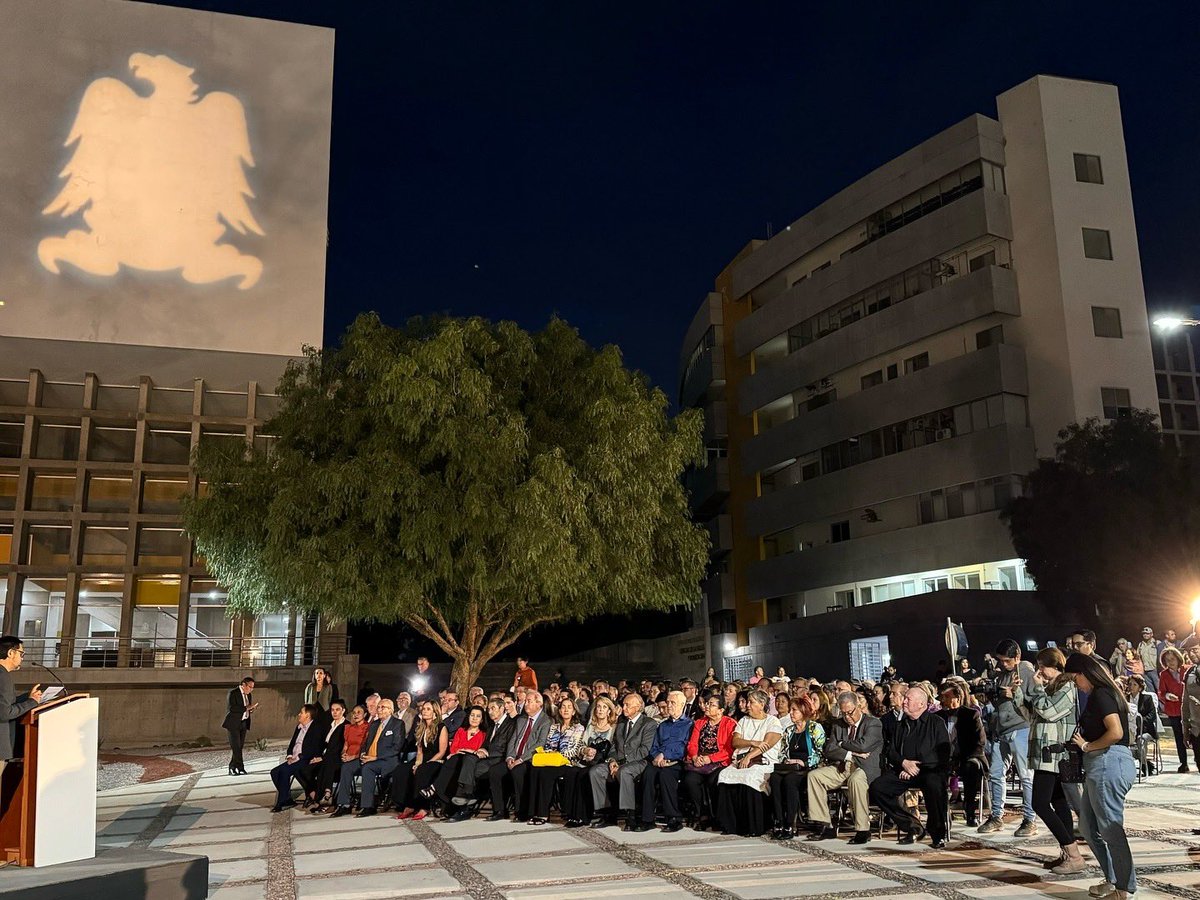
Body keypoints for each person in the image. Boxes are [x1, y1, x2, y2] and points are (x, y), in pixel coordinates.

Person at [1065, 652, 1137, 900]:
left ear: (1084, 673)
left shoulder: (1101, 694)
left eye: (1075, 679)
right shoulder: (1102, 693)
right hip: (1100, 764)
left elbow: (1115, 732)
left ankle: (1124, 889)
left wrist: (1087, 746)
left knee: (1110, 829)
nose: (1077, 686)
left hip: (1108, 762)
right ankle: (1113, 879)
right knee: (1088, 826)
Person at [1016, 647, 1084, 873]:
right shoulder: (1050, 688)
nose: (1039, 672)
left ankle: (1074, 855)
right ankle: (1068, 854)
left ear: (1054, 666)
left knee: (1039, 803)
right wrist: (1018, 694)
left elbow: (1049, 712)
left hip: (1054, 754)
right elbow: (1033, 716)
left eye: (1042, 667)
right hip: (1044, 753)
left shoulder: (1067, 687)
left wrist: (1036, 689)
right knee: (1058, 802)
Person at [870, 686, 951, 848]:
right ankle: (912, 826)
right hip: (905, 770)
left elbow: (943, 752)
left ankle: (938, 833)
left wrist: (917, 768)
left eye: (908, 699)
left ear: (921, 704)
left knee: (935, 785)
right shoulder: (901, 724)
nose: (904, 702)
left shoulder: (936, 723)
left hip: (930, 770)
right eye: (904, 698)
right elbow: (891, 751)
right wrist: (903, 763)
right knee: (878, 788)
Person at [978, 639, 1037, 838]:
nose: (1003, 664)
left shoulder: (1026, 672)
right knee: (996, 774)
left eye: (1007, 661)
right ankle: (996, 816)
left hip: (1021, 727)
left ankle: (1030, 819)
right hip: (1001, 729)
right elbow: (999, 704)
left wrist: (1014, 694)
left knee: (1026, 776)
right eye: (1000, 660)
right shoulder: (1001, 675)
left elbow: (1036, 701)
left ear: (1017, 657)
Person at [807, 691, 882, 845]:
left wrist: (841, 744)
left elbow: (864, 745)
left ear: (859, 706)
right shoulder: (838, 724)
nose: (847, 717)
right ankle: (825, 825)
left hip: (863, 767)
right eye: (843, 713)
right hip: (843, 765)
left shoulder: (873, 723)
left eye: (850, 712)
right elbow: (829, 749)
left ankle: (863, 829)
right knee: (814, 776)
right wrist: (849, 753)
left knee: (856, 780)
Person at [716, 688, 783, 836]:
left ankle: (753, 826)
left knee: (750, 777)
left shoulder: (772, 721)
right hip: (741, 759)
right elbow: (736, 741)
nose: (747, 705)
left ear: (762, 704)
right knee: (724, 775)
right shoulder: (744, 720)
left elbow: (767, 744)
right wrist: (752, 742)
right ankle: (730, 825)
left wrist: (749, 757)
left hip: (763, 761)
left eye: (751, 702)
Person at [589, 692, 656, 829]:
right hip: (619, 762)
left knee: (624, 772)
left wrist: (623, 762)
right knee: (596, 771)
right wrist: (612, 760)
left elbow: (644, 750)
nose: (623, 708)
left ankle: (630, 815)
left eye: (627, 705)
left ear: (638, 707)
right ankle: (605, 813)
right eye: (623, 704)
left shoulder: (648, 723)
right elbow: (614, 746)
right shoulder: (621, 723)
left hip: (638, 762)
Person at [330, 698, 404, 818]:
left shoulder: (397, 724)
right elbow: (365, 743)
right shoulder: (374, 724)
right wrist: (363, 754)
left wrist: (375, 757)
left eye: (383, 707)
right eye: (378, 707)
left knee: (368, 768)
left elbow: (397, 747)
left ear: (390, 710)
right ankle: (344, 805)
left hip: (386, 760)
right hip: (368, 758)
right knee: (347, 767)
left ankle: (367, 806)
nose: (379, 709)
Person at [444, 697, 515, 821]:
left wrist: (487, 752)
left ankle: (464, 803)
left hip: (500, 760)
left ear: (502, 708)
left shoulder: (511, 724)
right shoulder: (492, 726)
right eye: (489, 709)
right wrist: (482, 749)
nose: (490, 712)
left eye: (493, 708)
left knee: (468, 769)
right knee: (468, 760)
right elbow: (486, 744)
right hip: (488, 759)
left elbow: (508, 747)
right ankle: (468, 798)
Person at [633, 691, 692, 832]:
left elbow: (685, 747)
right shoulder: (663, 725)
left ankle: (673, 818)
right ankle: (647, 819)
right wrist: (656, 758)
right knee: (648, 774)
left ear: (682, 705)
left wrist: (665, 755)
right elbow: (654, 746)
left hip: (677, 761)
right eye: (668, 702)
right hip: (658, 761)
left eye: (673, 703)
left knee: (666, 776)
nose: (669, 705)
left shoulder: (689, 724)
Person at [489, 689, 551, 821]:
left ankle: (521, 812)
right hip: (514, 758)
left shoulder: (545, 721)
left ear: (539, 703)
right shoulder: (521, 719)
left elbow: (540, 744)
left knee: (518, 771)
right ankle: (500, 810)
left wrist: (521, 759)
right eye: (526, 701)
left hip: (530, 759)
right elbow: (513, 740)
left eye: (529, 701)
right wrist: (510, 757)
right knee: (495, 771)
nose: (525, 704)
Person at [769, 698, 825, 839]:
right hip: (790, 766)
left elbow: (821, 753)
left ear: (803, 711)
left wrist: (803, 762)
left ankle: (790, 824)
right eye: (791, 710)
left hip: (808, 767)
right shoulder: (789, 730)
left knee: (790, 780)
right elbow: (782, 752)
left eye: (794, 710)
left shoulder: (814, 728)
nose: (791, 713)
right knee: (774, 778)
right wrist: (786, 761)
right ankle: (779, 821)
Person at [560, 695, 617, 827]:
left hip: (603, 762)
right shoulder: (591, 726)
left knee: (583, 774)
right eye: (598, 707)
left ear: (609, 710)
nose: (600, 710)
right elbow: (581, 746)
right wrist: (585, 750)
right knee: (571, 772)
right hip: (586, 760)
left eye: (604, 707)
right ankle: (571, 813)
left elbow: (614, 749)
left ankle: (582, 816)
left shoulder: (614, 727)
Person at [527, 696, 585, 825]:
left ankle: (549, 814)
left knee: (547, 773)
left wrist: (557, 755)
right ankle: (536, 812)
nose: (566, 710)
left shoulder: (578, 728)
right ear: (559, 710)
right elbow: (548, 745)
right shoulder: (554, 727)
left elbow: (574, 750)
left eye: (569, 707)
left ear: (574, 711)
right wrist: (550, 753)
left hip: (568, 762)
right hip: (551, 761)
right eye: (563, 707)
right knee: (536, 770)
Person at [0, 636, 42, 811]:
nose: (22, 657)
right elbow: (4, 712)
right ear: (11, 653)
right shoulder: (3, 676)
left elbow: (5, 704)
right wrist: (31, 703)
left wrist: (28, 698)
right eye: (21, 653)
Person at [936, 681, 986, 827]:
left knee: (972, 768)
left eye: (946, 696)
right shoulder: (937, 716)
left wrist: (962, 758)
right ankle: (941, 814)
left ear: (957, 697)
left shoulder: (971, 715)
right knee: (934, 773)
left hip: (966, 757)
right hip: (943, 759)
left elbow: (979, 742)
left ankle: (970, 811)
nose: (943, 700)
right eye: (941, 697)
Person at [682, 695, 734, 831]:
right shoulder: (700, 722)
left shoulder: (730, 723)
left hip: (719, 761)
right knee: (690, 780)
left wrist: (710, 758)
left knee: (713, 781)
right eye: (707, 703)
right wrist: (694, 757)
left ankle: (717, 817)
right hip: (700, 760)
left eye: (712, 704)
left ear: (721, 710)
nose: (707, 706)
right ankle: (702, 814)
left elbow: (729, 749)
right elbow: (692, 744)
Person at [393, 699, 448, 821]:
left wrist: (425, 764)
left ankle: (423, 806)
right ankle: (407, 805)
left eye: (428, 709)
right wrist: (417, 763)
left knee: (422, 770)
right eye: (423, 709)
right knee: (402, 769)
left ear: (435, 712)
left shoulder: (441, 727)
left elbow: (442, 752)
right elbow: (420, 751)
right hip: (423, 758)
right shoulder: (421, 727)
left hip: (437, 760)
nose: (424, 711)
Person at [428, 705, 488, 814]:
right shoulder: (461, 730)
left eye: (478, 716)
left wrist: (465, 750)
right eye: (472, 715)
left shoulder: (483, 734)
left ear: (482, 719)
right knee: (454, 759)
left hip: (469, 763)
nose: (474, 718)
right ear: (468, 717)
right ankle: (444, 800)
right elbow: (454, 748)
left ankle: (434, 788)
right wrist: (462, 751)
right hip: (455, 759)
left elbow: (478, 752)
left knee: (456, 759)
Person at [270, 704, 323, 812]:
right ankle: (287, 798)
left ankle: (281, 802)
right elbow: (292, 744)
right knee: (274, 772)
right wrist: (290, 756)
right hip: (294, 759)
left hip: (305, 759)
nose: (299, 714)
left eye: (301, 712)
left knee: (284, 771)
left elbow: (315, 748)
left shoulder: (316, 728)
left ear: (308, 715)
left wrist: (299, 757)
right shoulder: (299, 727)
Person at [304, 699, 348, 810]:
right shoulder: (330, 725)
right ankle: (315, 796)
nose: (335, 712)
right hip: (326, 757)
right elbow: (323, 744)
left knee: (326, 765)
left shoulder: (346, 725)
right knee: (305, 769)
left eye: (337, 710)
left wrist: (322, 758)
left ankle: (326, 795)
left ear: (343, 710)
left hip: (336, 758)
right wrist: (318, 756)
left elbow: (338, 747)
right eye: (332, 710)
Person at [1157, 647, 1191, 772]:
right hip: (1174, 709)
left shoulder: (1188, 669)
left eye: (1172, 659)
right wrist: (1167, 696)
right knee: (1179, 737)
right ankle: (1184, 763)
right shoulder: (1164, 674)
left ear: (1178, 658)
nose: (1170, 662)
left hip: (1190, 708)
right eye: (1167, 660)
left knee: (1195, 735)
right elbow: (1161, 692)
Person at [1123, 674, 1159, 776]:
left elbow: (1152, 715)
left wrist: (1139, 721)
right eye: (1130, 684)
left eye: (1135, 684)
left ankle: (1143, 765)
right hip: (1130, 730)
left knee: (1140, 740)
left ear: (1140, 687)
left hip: (1145, 730)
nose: (1131, 687)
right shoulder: (1125, 698)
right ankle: (1144, 764)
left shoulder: (1147, 698)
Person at [222, 676, 258, 776]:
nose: (251, 689)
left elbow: (246, 708)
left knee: (239, 747)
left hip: (243, 723)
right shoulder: (233, 693)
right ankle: (239, 768)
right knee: (236, 747)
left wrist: (250, 710)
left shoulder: (249, 695)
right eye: (250, 687)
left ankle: (233, 768)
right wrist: (247, 707)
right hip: (233, 724)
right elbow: (232, 708)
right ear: (243, 685)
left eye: (253, 687)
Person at [1182, 649, 1200, 772]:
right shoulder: (1189, 673)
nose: (1192, 654)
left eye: (1195, 650)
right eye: (1189, 651)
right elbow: (1185, 704)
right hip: (1196, 730)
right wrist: (1185, 731)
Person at [1136, 628, 1160, 693]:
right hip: (1145, 671)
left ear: (1151, 634)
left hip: (1155, 670)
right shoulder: (1140, 645)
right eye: (1144, 634)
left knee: (1159, 689)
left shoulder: (1156, 643)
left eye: (1147, 633)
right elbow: (1138, 658)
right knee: (1150, 691)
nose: (1145, 635)